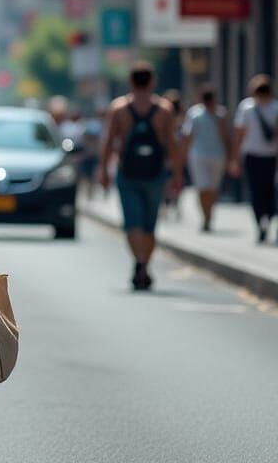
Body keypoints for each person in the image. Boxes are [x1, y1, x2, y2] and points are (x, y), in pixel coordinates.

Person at [98, 62, 183, 291]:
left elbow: (108, 142)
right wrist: (177, 175)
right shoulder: (164, 110)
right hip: (156, 175)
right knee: (149, 223)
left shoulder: (119, 109)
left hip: (127, 174)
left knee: (132, 223)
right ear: (152, 82)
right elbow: (173, 145)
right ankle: (146, 263)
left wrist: (104, 170)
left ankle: (139, 262)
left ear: (131, 82)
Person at [229, 75, 278, 243]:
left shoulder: (247, 107)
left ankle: (260, 222)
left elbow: (239, 135)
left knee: (256, 191)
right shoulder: (275, 107)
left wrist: (235, 159)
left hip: (252, 155)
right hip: (271, 155)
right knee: (269, 189)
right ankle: (268, 219)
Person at [180, 84, 229, 232]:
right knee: (202, 187)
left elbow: (225, 136)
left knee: (213, 188)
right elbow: (188, 135)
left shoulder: (220, 114)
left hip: (217, 155)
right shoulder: (194, 113)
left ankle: (210, 212)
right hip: (198, 156)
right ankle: (206, 216)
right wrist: (183, 155)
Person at [161, 88, 186, 219]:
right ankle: (175, 204)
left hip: (167, 153)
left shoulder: (164, 114)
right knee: (177, 177)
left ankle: (166, 205)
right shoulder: (181, 117)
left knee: (166, 179)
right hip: (177, 153)